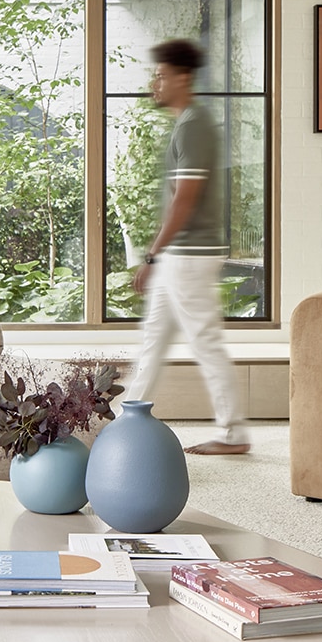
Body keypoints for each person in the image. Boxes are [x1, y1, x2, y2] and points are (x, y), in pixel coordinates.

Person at [127, 38, 250, 456]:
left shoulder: (195, 125)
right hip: (180, 255)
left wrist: (152, 254)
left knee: (204, 340)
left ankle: (233, 434)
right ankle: (125, 420)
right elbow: (179, 196)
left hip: (190, 255)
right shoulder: (187, 124)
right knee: (153, 339)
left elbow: (186, 198)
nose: (154, 84)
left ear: (183, 78)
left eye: (161, 76)